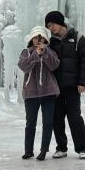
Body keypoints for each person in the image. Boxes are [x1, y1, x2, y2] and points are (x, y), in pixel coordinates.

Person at [44, 10, 85, 160]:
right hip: (55, 87)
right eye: (48, 26)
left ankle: (81, 148)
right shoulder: (51, 42)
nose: (50, 28)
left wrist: (82, 81)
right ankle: (61, 148)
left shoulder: (78, 38)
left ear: (59, 22)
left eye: (51, 24)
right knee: (56, 118)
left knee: (75, 118)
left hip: (72, 87)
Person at [18, 26, 60, 161]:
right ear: (31, 39)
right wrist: (36, 54)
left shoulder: (50, 52)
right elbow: (24, 66)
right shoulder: (26, 53)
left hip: (48, 92)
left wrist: (45, 52)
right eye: (36, 37)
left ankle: (43, 150)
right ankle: (28, 150)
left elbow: (54, 65)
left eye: (40, 38)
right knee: (30, 122)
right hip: (31, 93)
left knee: (48, 122)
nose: (38, 40)